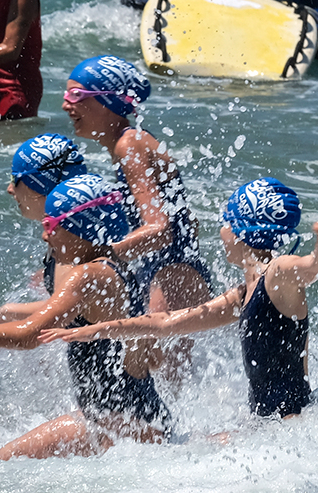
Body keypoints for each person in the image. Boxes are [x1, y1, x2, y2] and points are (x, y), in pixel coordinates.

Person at [43, 178, 318, 421]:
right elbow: (164, 323)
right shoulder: (244, 294)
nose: (221, 231)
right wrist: (87, 332)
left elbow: (314, 267)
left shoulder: (277, 273)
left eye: (227, 222)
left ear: (242, 230)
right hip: (270, 422)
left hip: (291, 422)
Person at [0, 173, 169, 460]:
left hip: (119, 423)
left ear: (79, 226)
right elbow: (153, 356)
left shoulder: (87, 275)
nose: (45, 235)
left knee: (3, 462)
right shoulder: (118, 269)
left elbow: (29, 335)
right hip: (144, 419)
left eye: (51, 225)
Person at [60, 57, 217, 325]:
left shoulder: (129, 144)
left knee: (162, 366)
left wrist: (100, 256)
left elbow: (159, 228)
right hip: (170, 271)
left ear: (108, 100)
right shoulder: (132, 141)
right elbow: (188, 221)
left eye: (76, 95)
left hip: (170, 276)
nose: (66, 104)